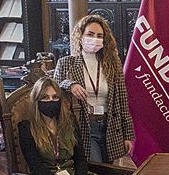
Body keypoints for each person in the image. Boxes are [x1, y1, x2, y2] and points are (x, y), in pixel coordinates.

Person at [18, 77, 112, 175]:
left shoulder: (69, 122)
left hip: (72, 173)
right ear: (37, 101)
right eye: (45, 97)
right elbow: (36, 168)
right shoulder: (26, 128)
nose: (51, 101)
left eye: (55, 97)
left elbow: (80, 158)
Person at [53, 14, 134, 166]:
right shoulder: (66, 63)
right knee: (97, 169)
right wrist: (70, 84)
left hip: (110, 126)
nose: (94, 39)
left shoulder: (112, 65)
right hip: (84, 125)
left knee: (111, 171)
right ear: (81, 36)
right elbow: (54, 89)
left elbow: (123, 100)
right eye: (90, 34)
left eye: (99, 36)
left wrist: (127, 135)